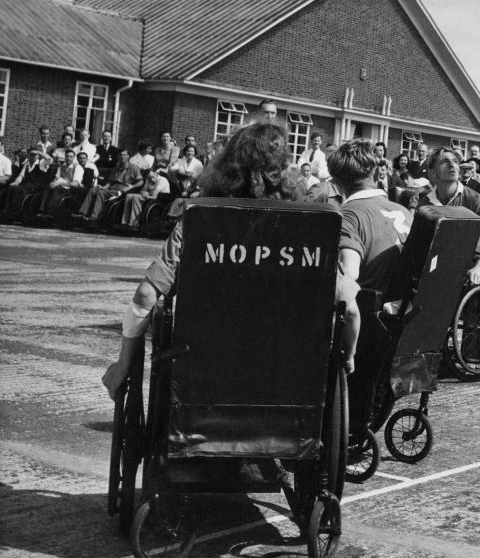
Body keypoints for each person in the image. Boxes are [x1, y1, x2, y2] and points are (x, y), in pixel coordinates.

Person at [102, 122, 361, 400]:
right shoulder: (311, 227)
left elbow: (144, 296)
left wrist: (123, 364)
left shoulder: (199, 220)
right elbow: (348, 308)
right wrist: (348, 356)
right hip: (286, 381)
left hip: (204, 375)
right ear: (285, 169)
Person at [328, 139, 414, 297]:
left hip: (369, 316)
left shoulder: (347, 217)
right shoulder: (405, 212)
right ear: (375, 174)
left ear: (337, 183)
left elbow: (347, 278)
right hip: (410, 311)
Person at [417, 148, 480, 285]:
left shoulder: (474, 200)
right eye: (445, 162)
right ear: (433, 173)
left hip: (468, 264)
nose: (452, 165)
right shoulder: (425, 202)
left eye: (455, 161)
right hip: (437, 263)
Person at [78, 149, 141, 223]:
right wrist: (103, 187)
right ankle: (82, 213)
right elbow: (110, 182)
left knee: (101, 193)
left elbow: (141, 181)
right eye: (120, 155)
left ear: (128, 156)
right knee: (93, 190)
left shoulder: (133, 168)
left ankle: (94, 217)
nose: (122, 157)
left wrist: (131, 187)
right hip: (112, 188)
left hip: (121, 190)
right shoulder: (117, 168)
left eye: (124, 155)